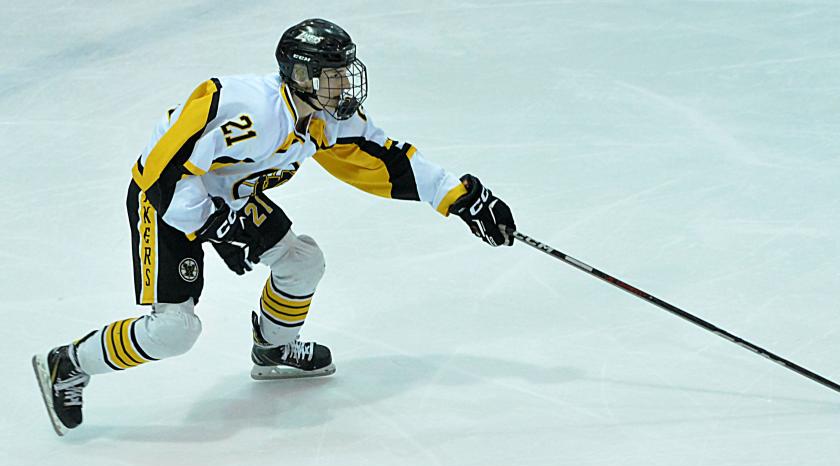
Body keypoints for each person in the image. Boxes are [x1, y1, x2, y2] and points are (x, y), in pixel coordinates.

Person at [31, 18, 516, 436]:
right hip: (167, 200)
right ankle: (69, 364)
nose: (344, 86)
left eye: (346, 73)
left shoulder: (328, 120)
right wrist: (216, 227)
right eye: (333, 76)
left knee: (303, 261)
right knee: (174, 332)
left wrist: (465, 200)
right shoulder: (243, 106)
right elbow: (165, 172)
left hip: (229, 198)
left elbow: (391, 161)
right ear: (301, 75)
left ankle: (274, 348)